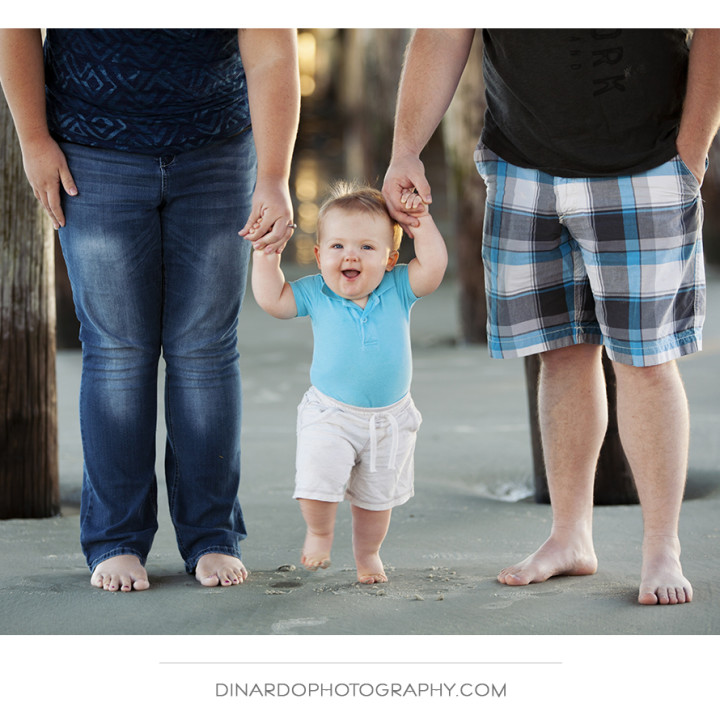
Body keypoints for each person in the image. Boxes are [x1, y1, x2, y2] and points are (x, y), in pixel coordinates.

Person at [383, 29, 720, 605]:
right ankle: (570, 537)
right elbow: (446, 26)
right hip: (522, 167)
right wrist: (406, 148)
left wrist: (691, 150)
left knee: (645, 361)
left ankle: (662, 548)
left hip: (644, 164)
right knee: (558, 351)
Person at [0, 29, 300, 591]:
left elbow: (273, 51)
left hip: (218, 151)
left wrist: (274, 176)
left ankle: (212, 534)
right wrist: (33, 138)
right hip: (90, 153)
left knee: (205, 350)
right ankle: (115, 538)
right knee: (117, 351)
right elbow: (15, 23)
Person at [249, 184, 447, 583]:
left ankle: (368, 554)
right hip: (331, 412)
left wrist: (419, 222)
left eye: (366, 248)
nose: (350, 255)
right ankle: (319, 533)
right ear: (320, 256)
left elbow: (434, 267)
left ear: (391, 259)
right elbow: (274, 301)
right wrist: (266, 256)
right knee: (317, 479)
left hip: (390, 419)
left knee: (377, 499)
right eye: (337, 246)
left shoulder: (397, 288)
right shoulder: (317, 292)